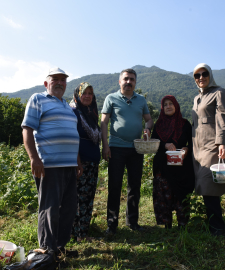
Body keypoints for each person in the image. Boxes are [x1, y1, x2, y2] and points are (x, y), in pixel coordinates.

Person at [21, 67, 83, 258]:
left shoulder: (68, 106)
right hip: (49, 165)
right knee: (50, 208)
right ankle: (48, 250)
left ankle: (60, 247)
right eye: (54, 79)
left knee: (69, 208)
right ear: (46, 83)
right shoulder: (38, 99)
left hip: (69, 166)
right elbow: (27, 129)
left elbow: (73, 135)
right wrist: (34, 158)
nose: (59, 82)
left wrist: (78, 160)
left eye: (62, 80)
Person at [101, 68, 154, 235]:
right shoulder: (111, 98)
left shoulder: (141, 100)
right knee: (114, 186)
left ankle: (132, 221)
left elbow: (149, 120)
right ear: (120, 81)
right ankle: (112, 224)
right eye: (126, 79)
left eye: (132, 79)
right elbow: (104, 123)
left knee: (135, 186)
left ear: (135, 82)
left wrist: (147, 129)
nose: (129, 82)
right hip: (116, 147)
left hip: (136, 149)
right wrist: (105, 145)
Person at [191, 63, 225, 236]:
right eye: (197, 75)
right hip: (197, 147)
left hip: (212, 145)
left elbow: (222, 118)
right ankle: (211, 222)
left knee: (209, 184)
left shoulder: (219, 92)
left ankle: (218, 227)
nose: (201, 78)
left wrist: (221, 142)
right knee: (203, 183)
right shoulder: (197, 98)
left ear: (210, 75)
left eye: (204, 73)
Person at [151, 95, 195, 229]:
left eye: (171, 104)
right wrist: (164, 145)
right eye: (165, 105)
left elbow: (193, 143)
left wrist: (187, 149)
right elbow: (153, 144)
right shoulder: (158, 125)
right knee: (164, 196)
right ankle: (167, 225)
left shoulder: (185, 124)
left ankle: (183, 225)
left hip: (181, 168)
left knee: (181, 196)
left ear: (176, 105)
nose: (168, 106)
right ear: (162, 108)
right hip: (163, 168)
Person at [69, 82, 101, 242]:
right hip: (81, 163)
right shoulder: (74, 113)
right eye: (84, 93)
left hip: (93, 163)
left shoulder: (91, 113)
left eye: (90, 93)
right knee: (79, 198)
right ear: (77, 94)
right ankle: (77, 234)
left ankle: (84, 231)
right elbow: (72, 139)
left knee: (88, 198)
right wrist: (77, 162)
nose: (88, 96)